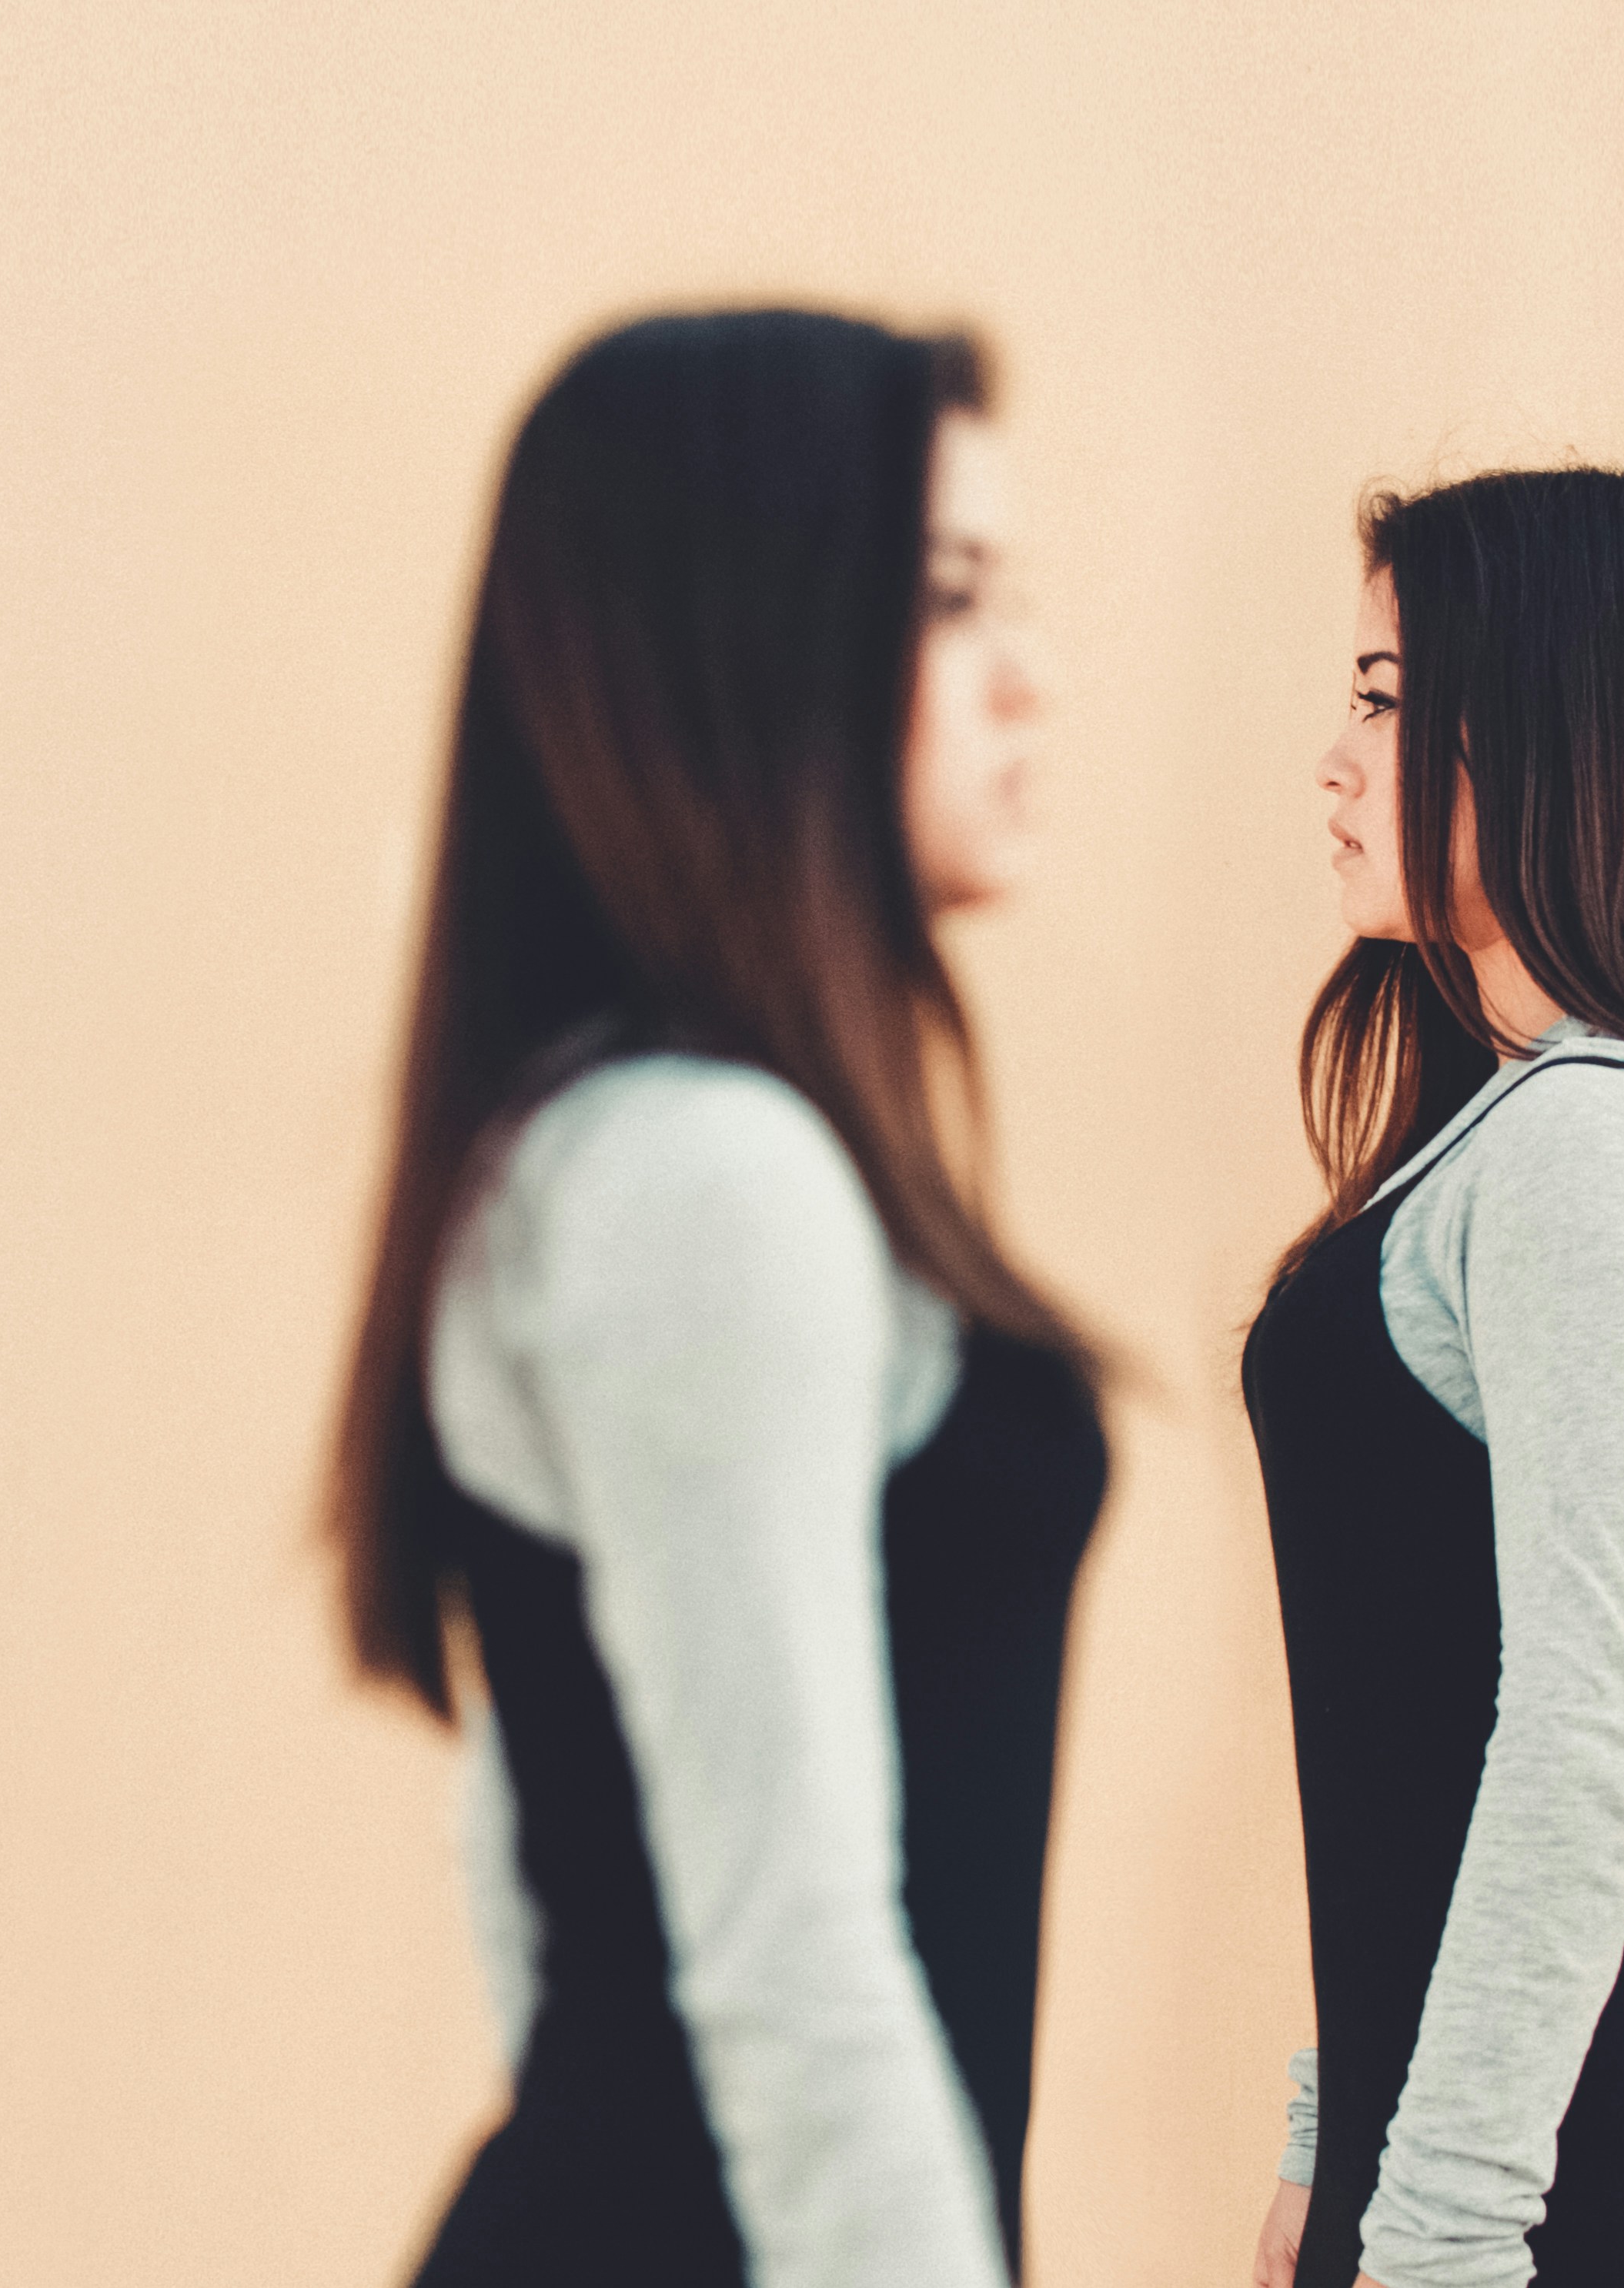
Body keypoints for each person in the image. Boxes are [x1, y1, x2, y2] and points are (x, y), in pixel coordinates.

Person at [326, 309, 1106, 2287]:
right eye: (950, 598)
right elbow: (795, 1956)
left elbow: (527, 1859)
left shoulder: (635, 1148)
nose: (1030, 676)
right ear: (752, 639)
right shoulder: (705, 1177)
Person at [1243, 466, 1624, 2288]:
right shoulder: (1518, 1125)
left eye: (1384, 695)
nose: (1335, 762)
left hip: (1589, 2156)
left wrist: (1438, 2229)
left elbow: (1587, 1720)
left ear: (1557, 727)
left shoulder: (1592, 1144)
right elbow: (1404, 1716)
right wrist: (1331, 2123)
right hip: (1478, 2130)